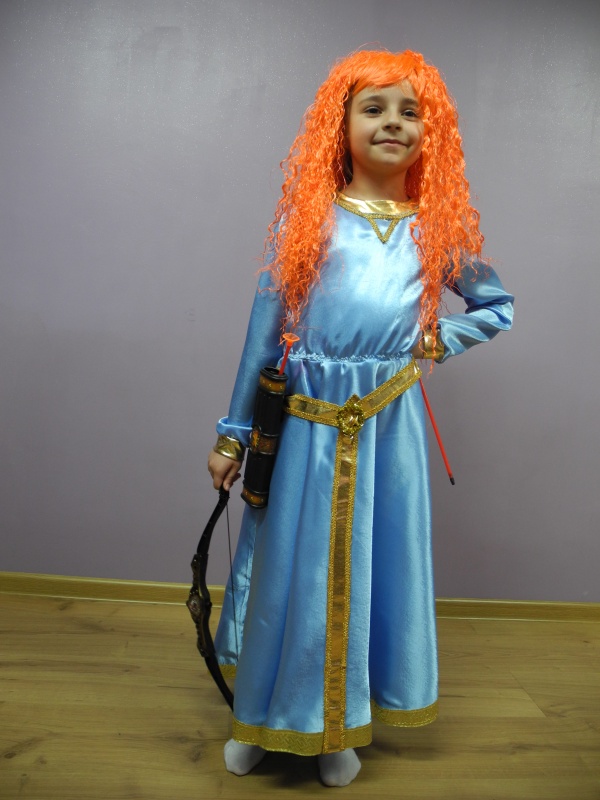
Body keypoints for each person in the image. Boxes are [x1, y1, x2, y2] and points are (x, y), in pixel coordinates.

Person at [207, 49, 513, 787]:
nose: (393, 123)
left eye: (410, 111)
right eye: (374, 108)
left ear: (430, 132)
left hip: (386, 430)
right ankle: (262, 717)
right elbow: (262, 339)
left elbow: (496, 308)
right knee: (288, 573)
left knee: (367, 570)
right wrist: (233, 434)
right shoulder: (309, 224)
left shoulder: (435, 231)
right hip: (305, 429)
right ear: (338, 126)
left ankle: (337, 729)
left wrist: (434, 339)